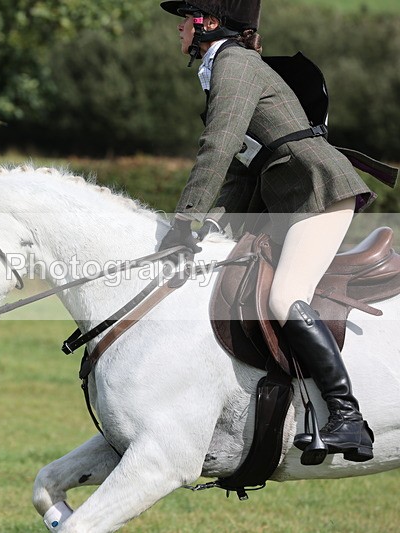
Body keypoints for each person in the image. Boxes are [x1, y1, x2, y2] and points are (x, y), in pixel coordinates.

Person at [158, 0, 375, 463]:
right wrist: (209, 231)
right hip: (287, 199)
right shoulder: (226, 67)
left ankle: (348, 416)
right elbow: (238, 171)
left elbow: (216, 148)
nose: (179, 27)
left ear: (208, 23)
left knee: (284, 297)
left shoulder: (234, 64)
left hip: (317, 188)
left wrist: (184, 221)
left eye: (185, 17)